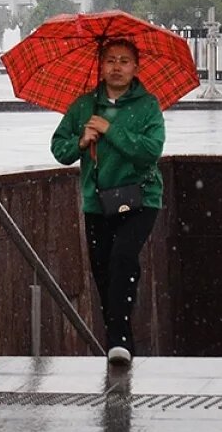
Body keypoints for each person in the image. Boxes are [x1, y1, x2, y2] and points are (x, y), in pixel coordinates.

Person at [50, 38, 165, 365]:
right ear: (100, 66)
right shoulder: (84, 105)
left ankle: (120, 342)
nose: (117, 67)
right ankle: (120, 339)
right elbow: (59, 149)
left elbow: (150, 151)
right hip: (97, 202)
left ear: (136, 68)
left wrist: (110, 129)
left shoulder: (148, 106)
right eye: (111, 60)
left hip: (141, 199)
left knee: (123, 258)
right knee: (103, 272)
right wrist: (81, 140)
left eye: (125, 61)